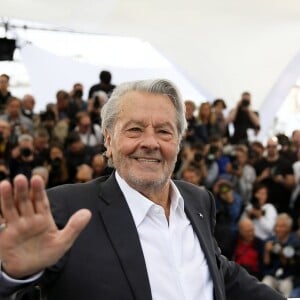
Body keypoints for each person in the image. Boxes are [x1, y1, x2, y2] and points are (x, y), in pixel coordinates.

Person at [0, 79, 285, 300]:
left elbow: (219, 271)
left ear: (178, 143)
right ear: (109, 142)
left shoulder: (198, 200)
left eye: (164, 131)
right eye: (135, 130)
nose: (150, 142)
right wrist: (12, 274)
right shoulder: (66, 208)